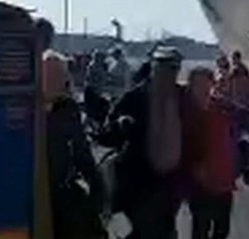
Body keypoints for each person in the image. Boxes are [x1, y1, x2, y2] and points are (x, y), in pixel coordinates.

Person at [99, 46, 187, 239]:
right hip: (138, 180)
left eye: (174, 68)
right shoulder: (134, 97)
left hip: (171, 182)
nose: (169, 73)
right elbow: (106, 135)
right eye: (164, 67)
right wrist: (120, 125)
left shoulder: (183, 98)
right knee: (153, 231)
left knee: (159, 231)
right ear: (153, 67)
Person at [37, 19, 106, 239]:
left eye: (58, 77)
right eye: (48, 77)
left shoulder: (67, 110)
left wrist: (96, 185)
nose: (53, 82)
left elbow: (81, 151)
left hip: (60, 191)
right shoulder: (20, 107)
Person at [184, 68, 236, 239]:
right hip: (199, 182)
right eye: (198, 84)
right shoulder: (185, 112)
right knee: (200, 228)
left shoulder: (222, 107)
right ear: (190, 86)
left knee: (222, 230)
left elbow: (239, 129)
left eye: (206, 83)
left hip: (224, 180)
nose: (202, 88)